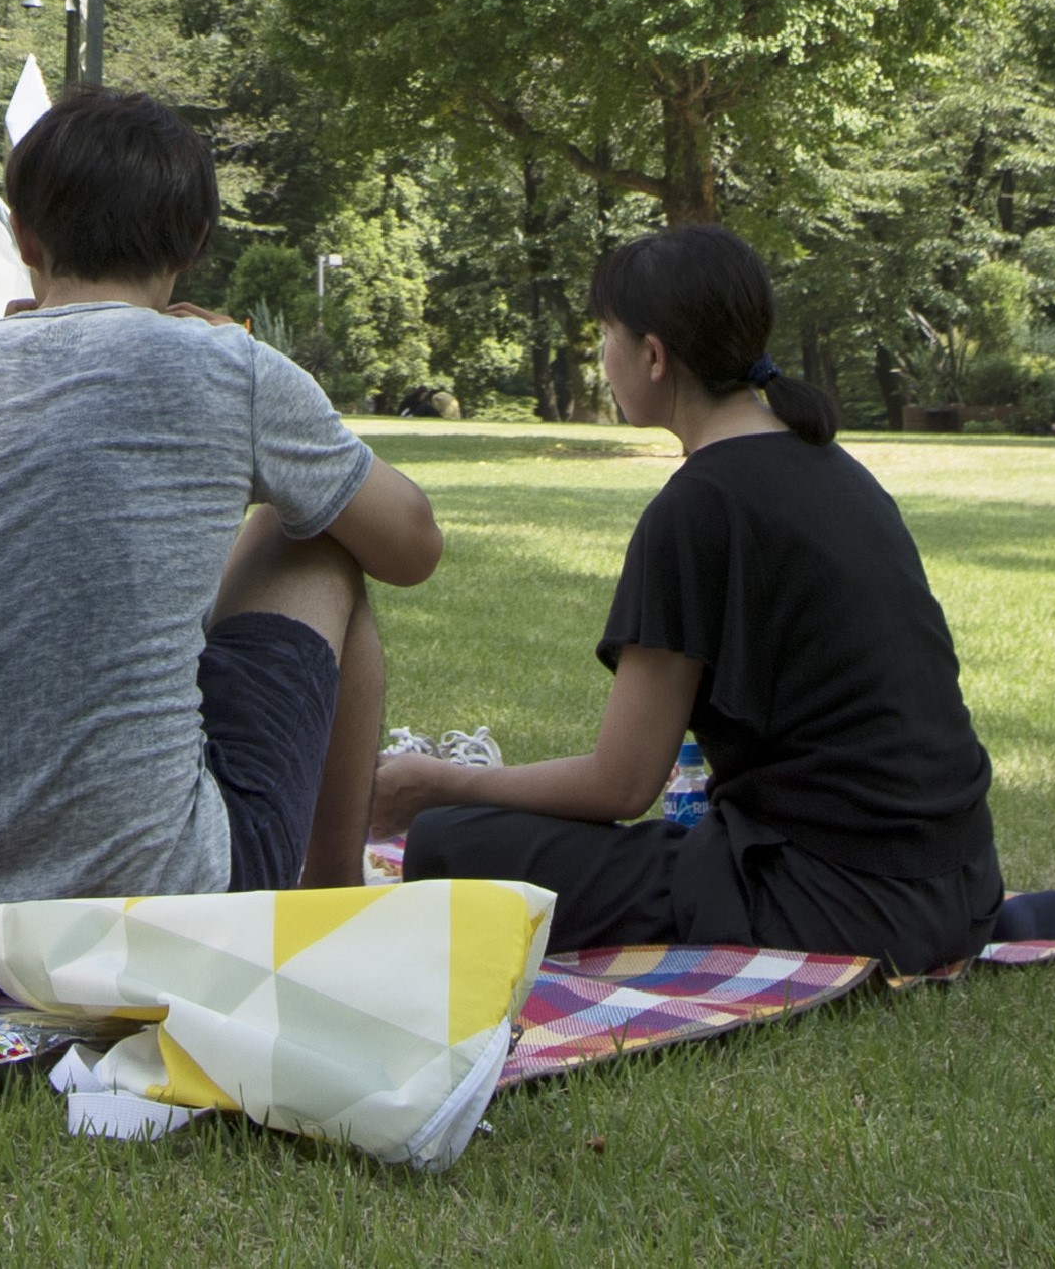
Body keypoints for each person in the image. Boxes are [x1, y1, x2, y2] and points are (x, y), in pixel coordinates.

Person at [0, 87, 440, 985]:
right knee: (317, 529)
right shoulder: (229, 366)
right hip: (164, 928)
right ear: (195, 243)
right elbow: (411, 547)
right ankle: (328, 898)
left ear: (25, 239)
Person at [372, 225, 1005, 974]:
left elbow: (623, 783)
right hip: (963, 885)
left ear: (653, 354)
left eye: (607, 335)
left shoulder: (697, 506)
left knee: (453, 844)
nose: (604, 359)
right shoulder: (834, 468)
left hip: (839, 903)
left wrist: (435, 786)